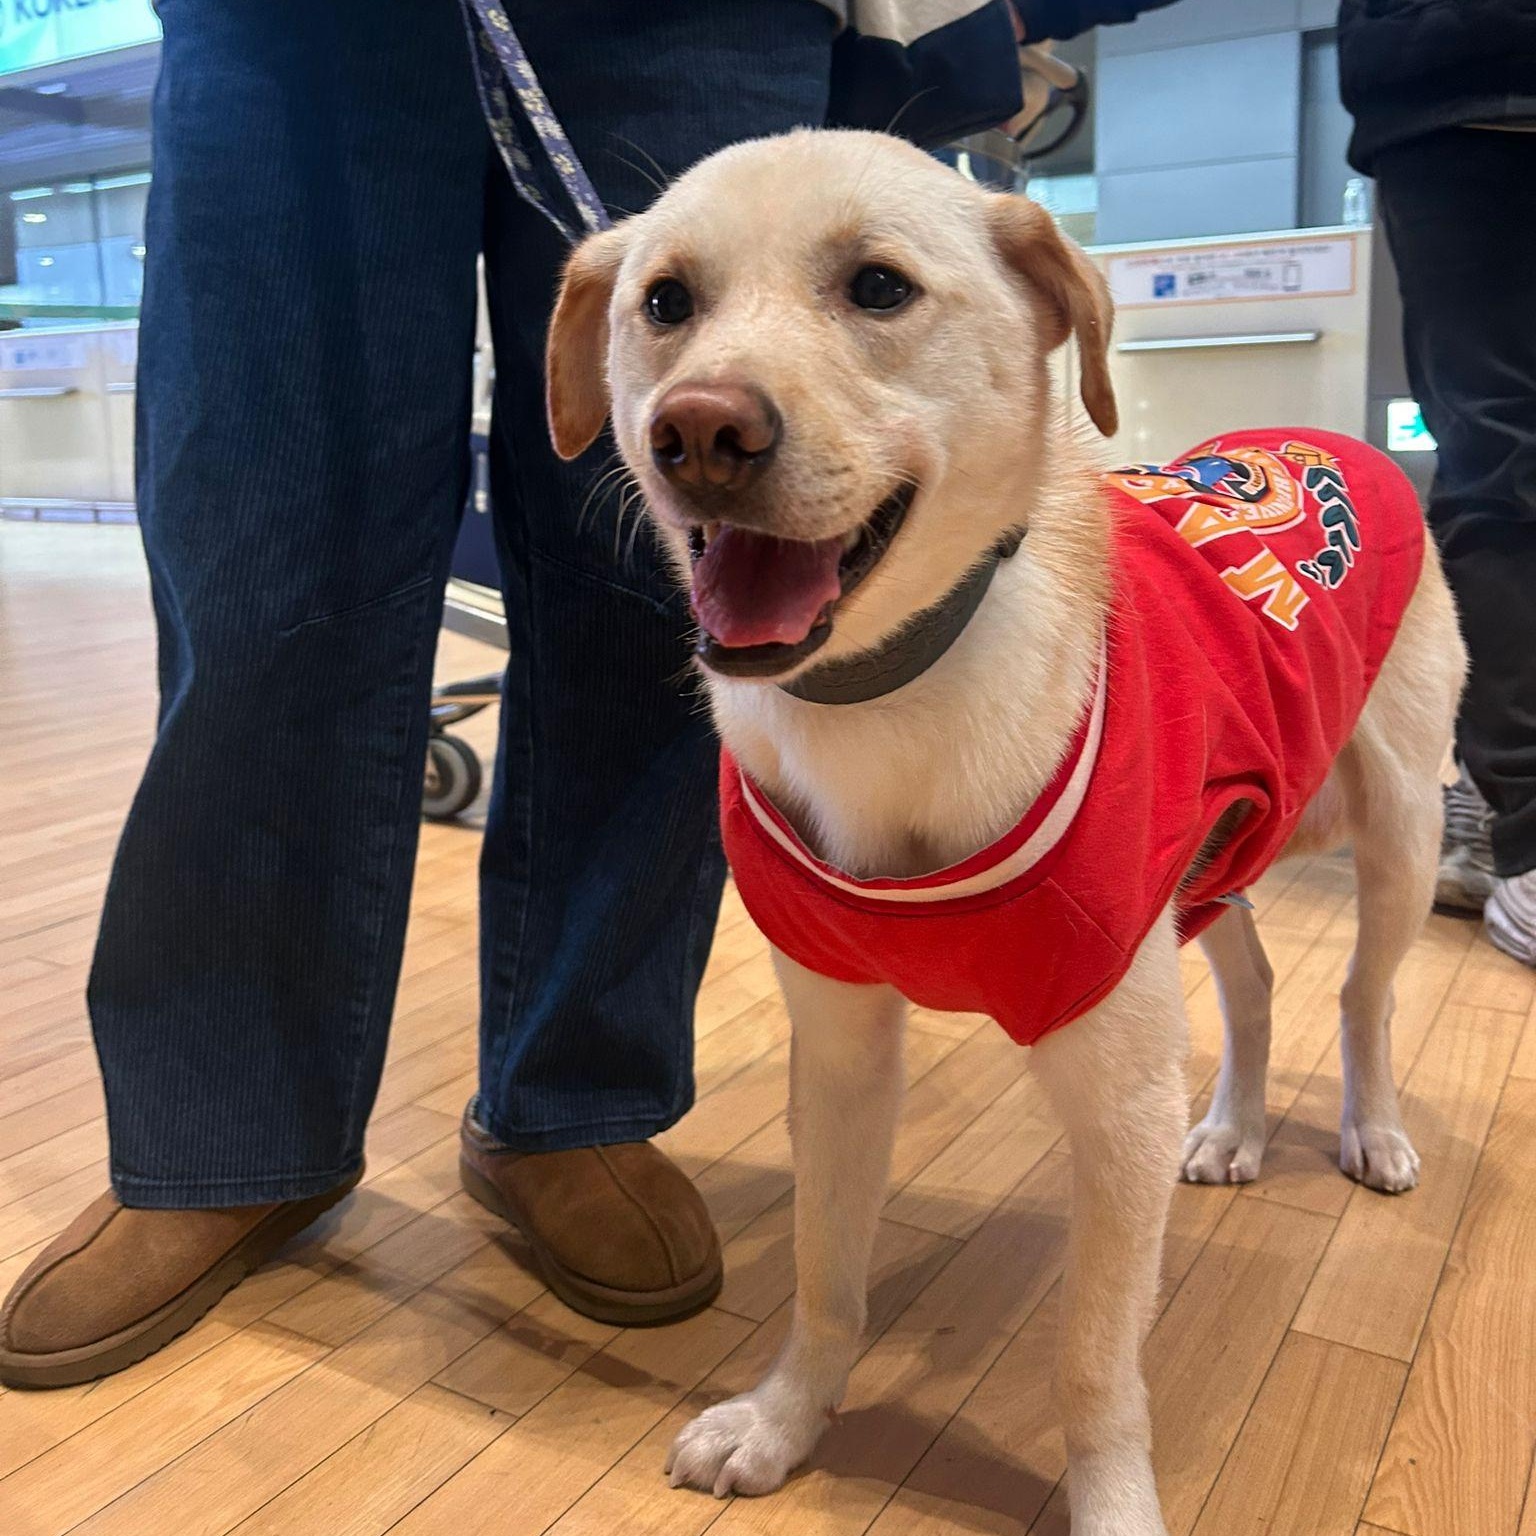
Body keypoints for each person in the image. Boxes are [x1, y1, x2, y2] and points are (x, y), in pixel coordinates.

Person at [1337, 2, 1536, 961]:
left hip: (1442, 84)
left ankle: (1507, 814)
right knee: (1499, 464)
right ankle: (1518, 819)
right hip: (1453, 88)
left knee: (1496, 460)